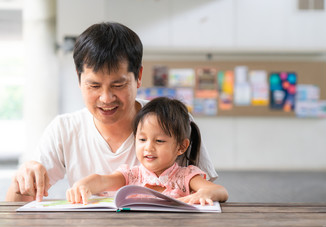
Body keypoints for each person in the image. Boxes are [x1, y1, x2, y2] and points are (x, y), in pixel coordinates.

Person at [6, 22, 218, 202]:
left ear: (139, 76)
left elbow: (206, 197)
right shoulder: (64, 130)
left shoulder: (169, 121)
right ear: (79, 79)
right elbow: (18, 207)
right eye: (94, 86)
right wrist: (22, 180)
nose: (106, 98)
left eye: (118, 85)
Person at [66, 97, 228, 205]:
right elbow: (101, 180)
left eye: (159, 141)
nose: (148, 147)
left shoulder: (185, 176)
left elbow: (220, 191)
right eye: (142, 139)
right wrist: (83, 184)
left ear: (181, 147)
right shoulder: (132, 175)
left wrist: (205, 193)